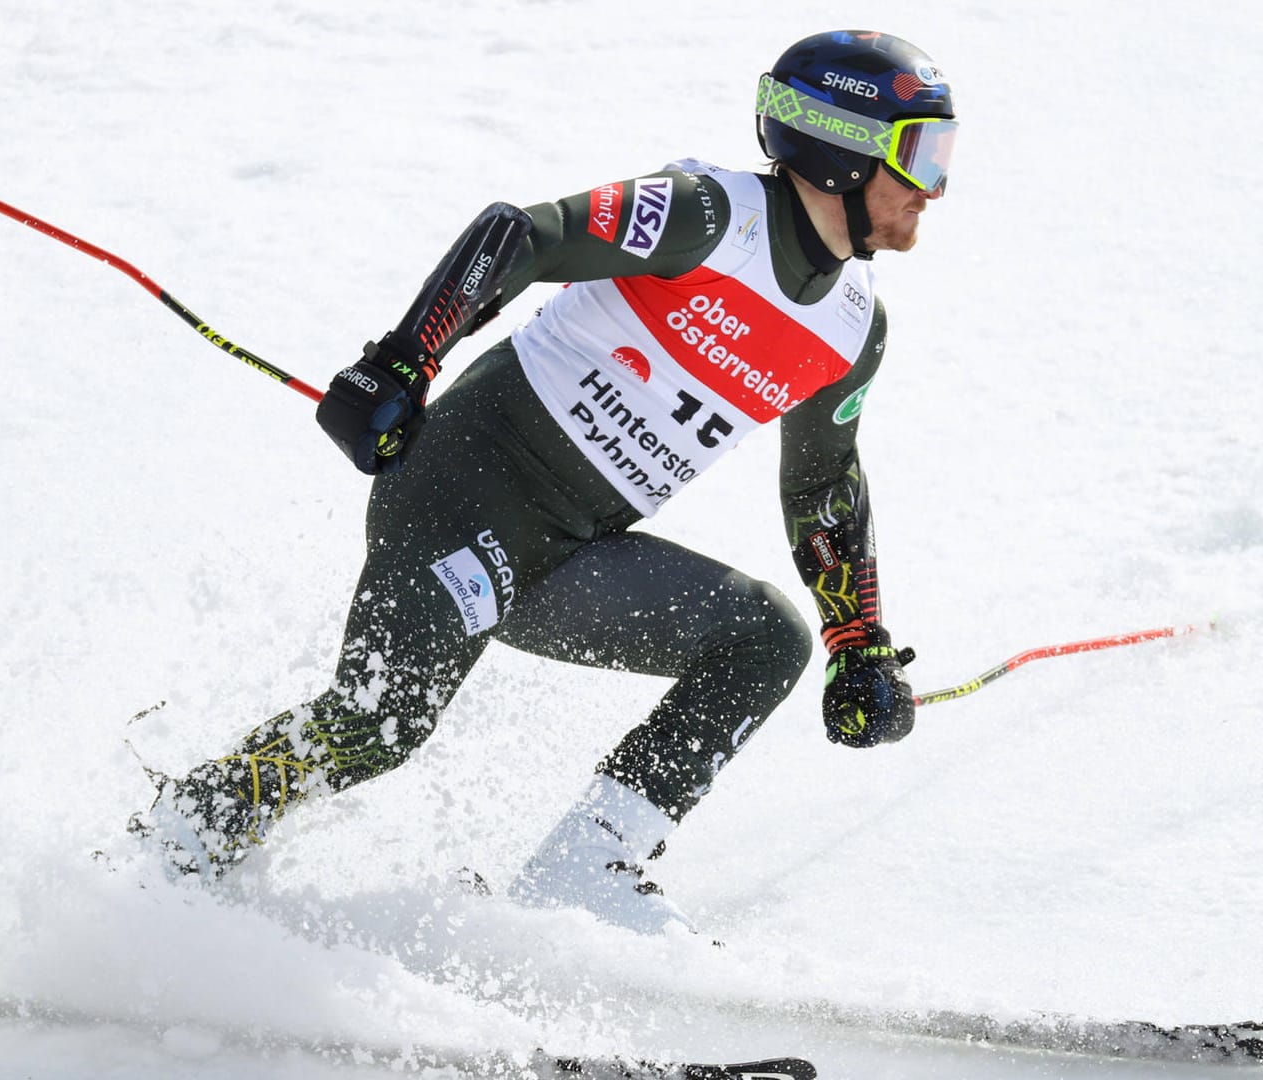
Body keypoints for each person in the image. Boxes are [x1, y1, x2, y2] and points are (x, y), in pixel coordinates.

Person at [132, 29, 957, 936]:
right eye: (919, 153)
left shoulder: (851, 329)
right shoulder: (712, 214)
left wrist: (861, 641)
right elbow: (519, 235)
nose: (935, 188)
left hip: (568, 556)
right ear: (842, 144)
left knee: (767, 639)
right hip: (465, 493)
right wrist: (405, 360)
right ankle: (180, 836)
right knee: (383, 723)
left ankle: (585, 867)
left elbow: (824, 488)